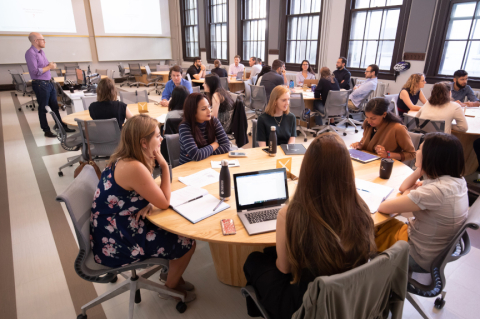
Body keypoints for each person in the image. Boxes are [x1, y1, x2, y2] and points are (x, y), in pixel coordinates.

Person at [243, 132, 376, 319]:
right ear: (347, 169)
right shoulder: (361, 207)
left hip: (307, 304)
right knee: (269, 254)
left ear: (307, 169)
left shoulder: (290, 214)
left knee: (254, 260)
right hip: (348, 294)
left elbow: (284, 269)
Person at [91, 114, 196, 301]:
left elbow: (144, 192)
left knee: (174, 228)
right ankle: (169, 289)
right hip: (116, 239)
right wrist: (163, 165)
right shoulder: (134, 167)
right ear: (143, 142)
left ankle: (172, 275)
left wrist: (147, 201)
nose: (161, 138)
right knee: (187, 241)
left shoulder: (121, 159)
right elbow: (164, 202)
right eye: (157, 135)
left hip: (109, 228)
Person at [376, 133, 468, 273]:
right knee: (382, 225)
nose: (417, 152)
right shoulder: (456, 181)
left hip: (417, 256)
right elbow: (403, 187)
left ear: (431, 157)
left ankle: (364, 274)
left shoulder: (434, 192)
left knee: (364, 231)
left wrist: (407, 194)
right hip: (433, 249)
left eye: (420, 149)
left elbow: (383, 207)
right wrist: (421, 168)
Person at [25, 32, 75, 137]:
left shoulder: (41, 52)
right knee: (43, 108)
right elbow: (34, 71)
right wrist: (49, 67)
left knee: (55, 107)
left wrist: (50, 65)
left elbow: (44, 66)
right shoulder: (30, 53)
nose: (44, 41)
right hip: (40, 84)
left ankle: (61, 126)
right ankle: (46, 130)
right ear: (35, 41)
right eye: (42, 39)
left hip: (49, 82)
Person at [351, 97, 415, 162]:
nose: (369, 121)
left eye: (373, 118)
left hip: (387, 166)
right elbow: (366, 143)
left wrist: (388, 154)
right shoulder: (367, 123)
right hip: (370, 163)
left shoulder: (397, 128)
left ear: (384, 114)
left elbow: (411, 154)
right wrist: (360, 146)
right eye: (367, 117)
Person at [178, 93, 230, 165]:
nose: (209, 111)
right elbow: (196, 155)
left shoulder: (213, 121)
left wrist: (201, 153)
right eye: (203, 109)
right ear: (193, 112)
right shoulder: (184, 127)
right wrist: (215, 144)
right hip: (189, 166)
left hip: (208, 164)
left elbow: (226, 146)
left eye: (209, 107)